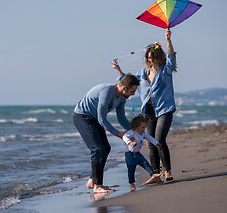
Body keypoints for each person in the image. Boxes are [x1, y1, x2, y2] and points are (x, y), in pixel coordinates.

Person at [112, 28, 176, 181]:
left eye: (153, 58)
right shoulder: (143, 73)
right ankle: (155, 173)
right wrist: (119, 70)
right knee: (150, 141)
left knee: (159, 139)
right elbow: (131, 81)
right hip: (148, 109)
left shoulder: (166, 70)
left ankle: (167, 171)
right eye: (148, 58)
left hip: (165, 109)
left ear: (158, 57)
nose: (150, 60)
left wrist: (168, 40)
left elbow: (172, 57)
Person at [73, 73, 140, 193]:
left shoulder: (122, 98)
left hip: (94, 119)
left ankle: (93, 179)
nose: (133, 94)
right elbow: (102, 119)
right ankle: (98, 186)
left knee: (106, 148)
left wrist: (134, 131)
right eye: (132, 91)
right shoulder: (106, 92)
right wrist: (118, 134)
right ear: (124, 88)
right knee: (98, 149)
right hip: (82, 117)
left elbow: (122, 119)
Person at [122, 114, 162, 191]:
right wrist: (130, 142)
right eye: (142, 127)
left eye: (145, 127)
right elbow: (124, 136)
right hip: (129, 155)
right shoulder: (132, 132)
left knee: (145, 163)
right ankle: (132, 184)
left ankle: (153, 174)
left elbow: (149, 138)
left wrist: (156, 143)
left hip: (137, 153)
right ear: (136, 126)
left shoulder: (143, 133)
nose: (144, 129)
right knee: (131, 169)